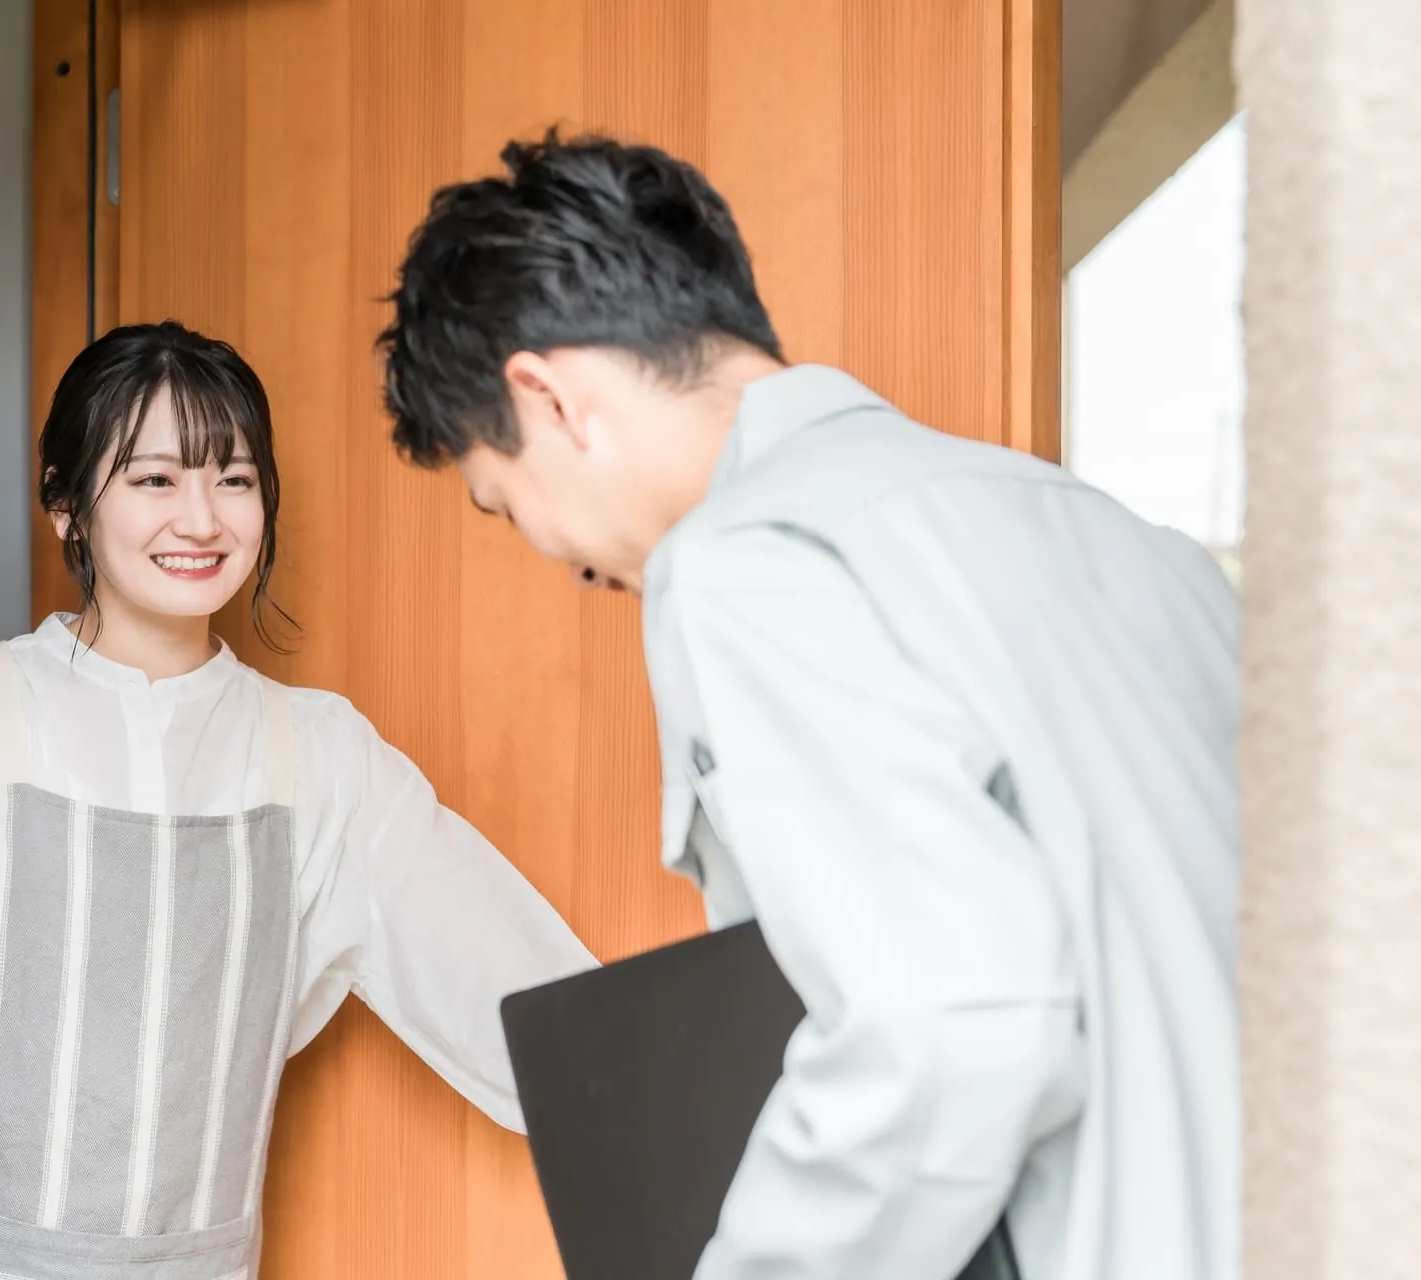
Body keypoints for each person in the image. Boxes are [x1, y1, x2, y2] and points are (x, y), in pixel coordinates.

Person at [376, 131, 1239, 1280]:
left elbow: (948, 1023)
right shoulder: (1137, 547)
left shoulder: (748, 561)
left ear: (549, 397)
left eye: (506, 499)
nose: (564, 559)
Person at [0, 321, 595, 1280]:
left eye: (233, 479)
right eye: (154, 480)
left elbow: (517, 987)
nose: (202, 521)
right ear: (65, 504)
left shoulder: (319, 755)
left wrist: (740, 1100)